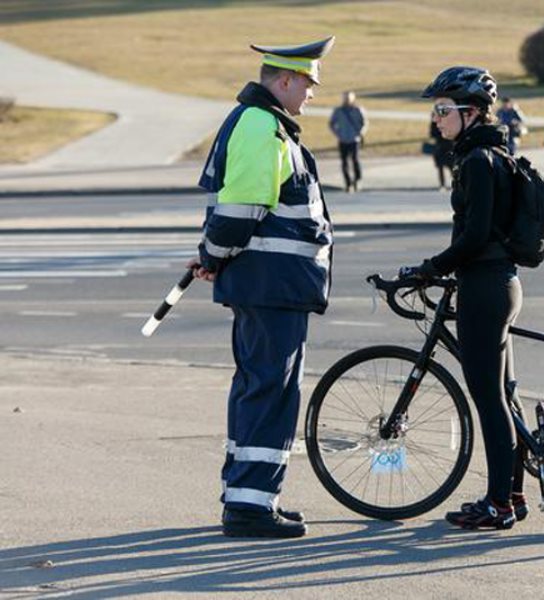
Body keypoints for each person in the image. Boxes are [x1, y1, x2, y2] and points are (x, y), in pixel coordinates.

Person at [190, 36, 336, 539]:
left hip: (269, 285)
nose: (313, 92)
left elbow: (239, 211)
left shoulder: (264, 123)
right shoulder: (261, 125)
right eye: (309, 83)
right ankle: (251, 506)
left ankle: (247, 496)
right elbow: (242, 207)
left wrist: (215, 255)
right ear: (286, 80)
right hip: (273, 287)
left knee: (260, 387)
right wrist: (214, 253)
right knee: (271, 392)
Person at [399, 66, 530, 530]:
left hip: (485, 287)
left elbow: (474, 237)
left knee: (490, 399)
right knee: (504, 397)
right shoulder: (493, 152)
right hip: (500, 283)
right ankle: (511, 495)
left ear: (470, 112)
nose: (436, 118)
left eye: (443, 110)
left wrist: (430, 268)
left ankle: (498, 505)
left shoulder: (476, 161)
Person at [329, 90, 368, 192]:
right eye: (345, 97)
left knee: (355, 160)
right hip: (343, 140)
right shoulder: (338, 111)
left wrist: (360, 133)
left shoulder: (358, 110)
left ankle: (357, 180)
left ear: (353, 98)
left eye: (349, 97)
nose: (347, 99)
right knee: (344, 162)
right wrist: (338, 134)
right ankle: (348, 183)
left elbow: (364, 123)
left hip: (354, 140)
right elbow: (332, 123)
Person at [428, 111, 454, 191]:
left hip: (440, 146)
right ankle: (455, 183)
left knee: (442, 167)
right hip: (448, 146)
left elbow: (432, 134)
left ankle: (443, 184)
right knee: (451, 167)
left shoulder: (435, 123)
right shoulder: (447, 121)